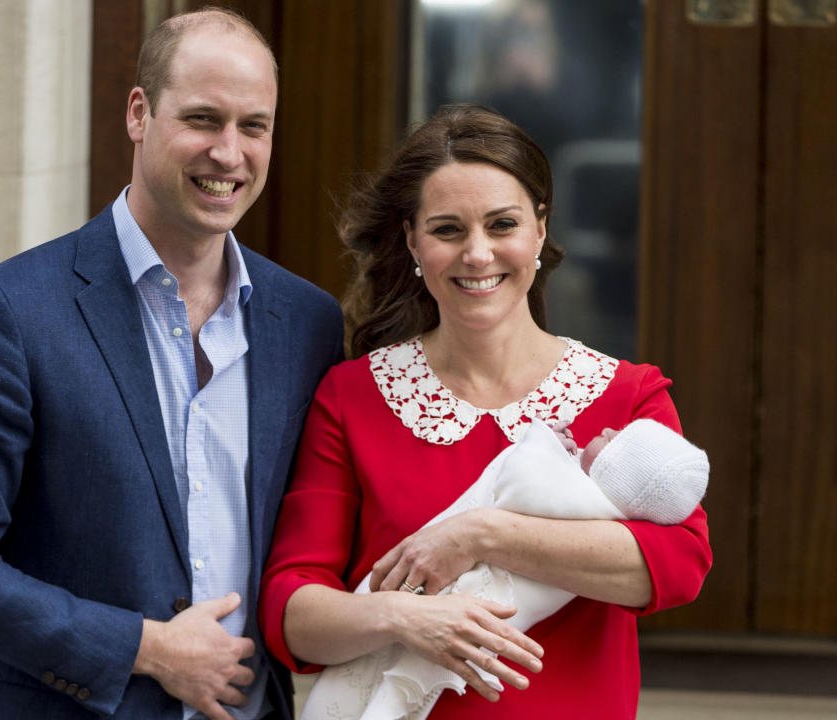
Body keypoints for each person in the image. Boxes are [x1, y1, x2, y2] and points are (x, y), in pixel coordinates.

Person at [0, 7, 342, 720]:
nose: (229, 154)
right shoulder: (7, 313)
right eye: (202, 119)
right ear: (139, 113)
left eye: (253, 126)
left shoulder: (309, 323)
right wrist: (145, 648)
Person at [259, 104, 712, 719]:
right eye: (448, 230)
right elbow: (292, 616)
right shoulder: (351, 397)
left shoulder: (628, 395)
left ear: (540, 230)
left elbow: (678, 567)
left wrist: (479, 535)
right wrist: (406, 618)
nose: (478, 254)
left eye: (502, 224)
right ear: (412, 239)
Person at [298, 417, 709, 719]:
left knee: (395, 677)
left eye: (618, 442)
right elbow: (293, 595)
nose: (609, 430)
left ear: (616, 473)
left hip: (506, 643)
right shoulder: (350, 391)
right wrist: (395, 616)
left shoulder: (589, 483)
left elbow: (680, 563)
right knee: (379, 675)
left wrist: (543, 443)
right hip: (392, 618)